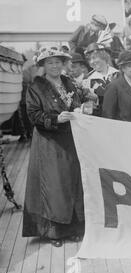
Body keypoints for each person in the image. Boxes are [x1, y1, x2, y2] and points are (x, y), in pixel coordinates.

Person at [22, 47, 85, 247]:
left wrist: (81, 109)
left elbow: (76, 103)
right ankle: (54, 232)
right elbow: (33, 115)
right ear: (43, 65)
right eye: (50, 62)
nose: (55, 66)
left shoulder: (69, 83)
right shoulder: (36, 88)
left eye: (58, 61)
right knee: (54, 185)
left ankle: (75, 228)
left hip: (71, 141)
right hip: (49, 142)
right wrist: (55, 118)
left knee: (72, 183)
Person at [102, 47, 131, 122]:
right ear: (123, 68)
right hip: (121, 131)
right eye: (130, 65)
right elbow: (108, 116)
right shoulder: (114, 87)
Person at [83, 43, 119, 116]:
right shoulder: (87, 79)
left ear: (104, 57)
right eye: (90, 59)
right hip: (99, 119)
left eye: (94, 58)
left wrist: (98, 98)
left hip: (119, 118)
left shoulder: (118, 75)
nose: (92, 62)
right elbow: (87, 105)